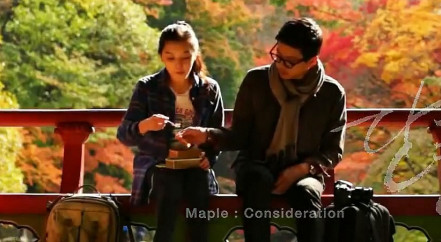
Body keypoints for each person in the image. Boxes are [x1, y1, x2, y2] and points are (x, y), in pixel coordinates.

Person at [177, 17, 347, 242]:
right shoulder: (257, 81)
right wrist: (208, 134)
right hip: (256, 164)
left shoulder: (331, 94)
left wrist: (298, 170)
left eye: (290, 61)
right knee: (258, 180)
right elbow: (239, 135)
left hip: (304, 170)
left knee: (307, 193)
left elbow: (332, 151)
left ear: (311, 62)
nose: (280, 65)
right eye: (278, 56)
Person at [116, 21, 224, 242]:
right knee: (169, 185)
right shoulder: (147, 88)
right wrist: (145, 125)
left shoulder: (209, 89)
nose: (179, 64)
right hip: (158, 165)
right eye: (170, 57)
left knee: (199, 189)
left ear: (195, 54)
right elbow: (124, 134)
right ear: (162, 57)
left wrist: (209, 156)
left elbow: (218, 134)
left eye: (185, 57)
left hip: (194, 164)